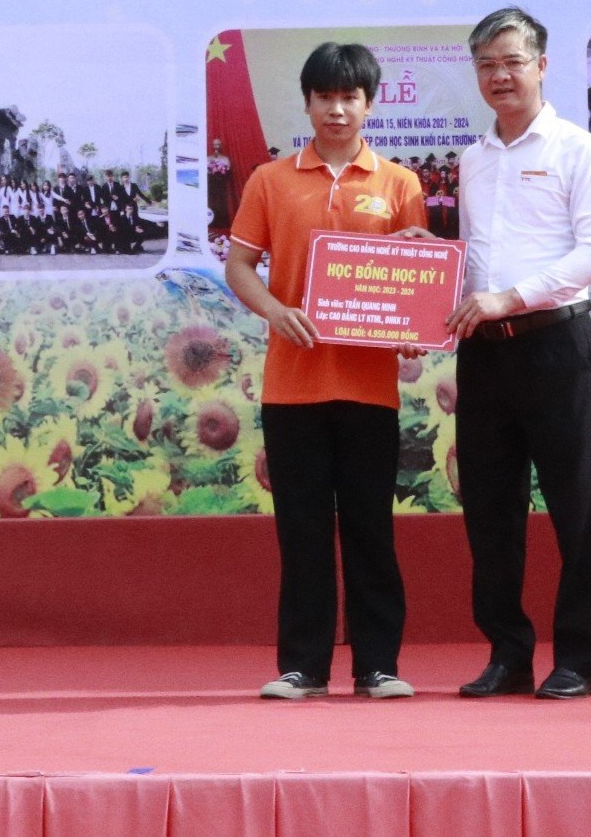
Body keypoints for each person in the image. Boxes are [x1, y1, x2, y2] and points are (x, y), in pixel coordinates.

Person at [225, 43, 427, 701]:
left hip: (370, 388)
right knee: (303, 530)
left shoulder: (399, 184)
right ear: (307, 102)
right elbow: (238, 266)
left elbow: (413, 279)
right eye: (325, 97)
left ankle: (378, 665)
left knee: (371, 528)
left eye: (349, 97)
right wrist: (275, 310)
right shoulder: (269, 180)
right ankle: (303, 667)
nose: (337, 109)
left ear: (369, 104)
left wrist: (414, 329)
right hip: (292, 385)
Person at [447, 7, 591, 701]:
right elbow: (476, 262)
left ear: (542, 65)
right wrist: (430, 270)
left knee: (575, 507)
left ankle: (578, 657)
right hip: (484, 355)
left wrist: (511, 297)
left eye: (512, 61)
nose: (500, 75)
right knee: (489, 510)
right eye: (486, 64)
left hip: (555, 345)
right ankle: (507, 653)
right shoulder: (472, 159)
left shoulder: (581, 149)